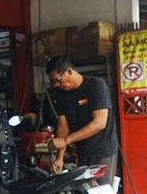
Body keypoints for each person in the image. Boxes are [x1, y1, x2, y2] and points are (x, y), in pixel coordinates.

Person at [46, 56, 118, 185]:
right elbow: (63, 127)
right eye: (53, 82)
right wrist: (59, 158)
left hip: (103, 151)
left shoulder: (96, 85)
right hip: (83, 151)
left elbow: (99, 123)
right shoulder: (61, 94)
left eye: (57, 80)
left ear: (69, 71)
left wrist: (66, 140)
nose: (56, 84)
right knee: (83, 191)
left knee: (101, 193)